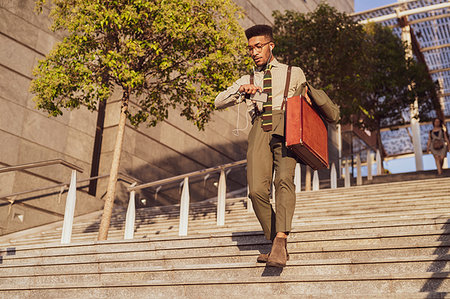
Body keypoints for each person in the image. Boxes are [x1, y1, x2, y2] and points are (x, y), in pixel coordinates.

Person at [215, 25, 307, 267]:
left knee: (284, 181)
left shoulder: (293, 72)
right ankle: (277, 237)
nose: (254, 52)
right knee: (256, 191)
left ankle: (279, 241)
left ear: (270, 45)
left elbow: (305, 102)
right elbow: (217, 101)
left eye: (258, 46)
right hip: (259, 129)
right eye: (250, 48)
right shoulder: (247, 78)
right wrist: (240, 90)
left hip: (287, 127)